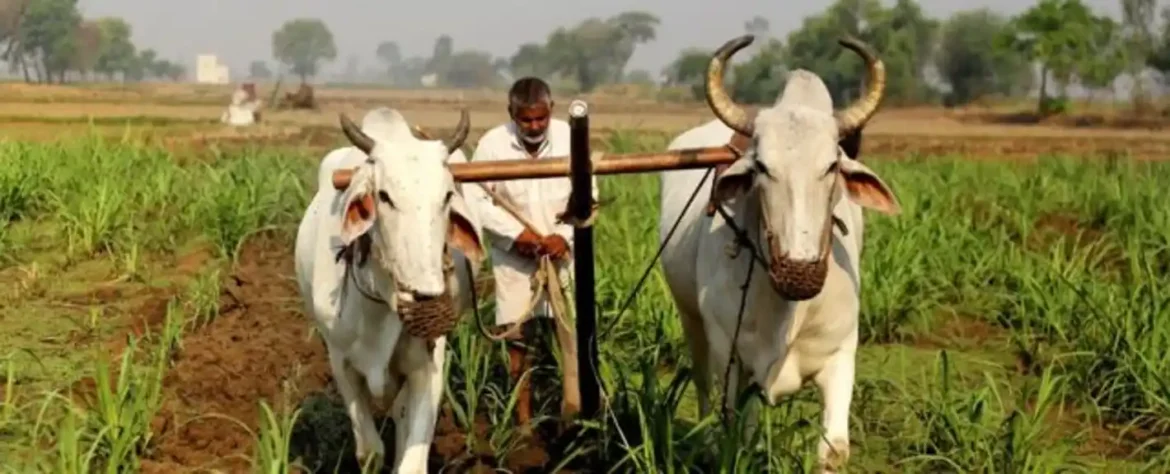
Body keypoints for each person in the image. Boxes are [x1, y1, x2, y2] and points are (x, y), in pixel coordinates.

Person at [465, 76, 597, 427]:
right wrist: (515, 235)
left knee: (569, 333)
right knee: (516, 338)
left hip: (562, 254)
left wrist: (563, 236)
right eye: (526, 120)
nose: (534, 126)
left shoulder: (572, 139)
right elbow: (476, 198)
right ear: (512, 113)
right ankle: (521, 420)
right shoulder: (493, 144)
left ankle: (574, 411)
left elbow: (588, 196)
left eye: (540, 118)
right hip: (514, 258)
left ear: (551, 111)